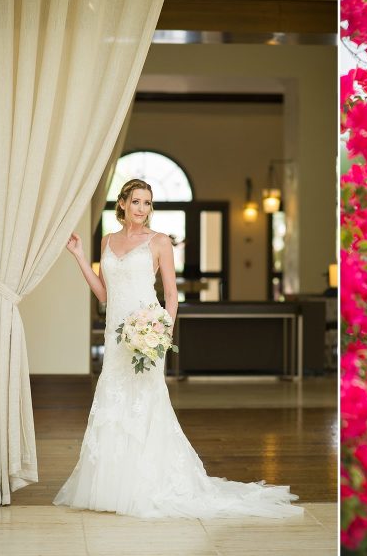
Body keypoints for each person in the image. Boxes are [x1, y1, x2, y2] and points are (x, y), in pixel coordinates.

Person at [56, 178, 303, 519]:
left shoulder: (158, 242)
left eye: (147, 202)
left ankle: (146, 486)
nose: (142, 208)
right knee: (114, 405)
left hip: (147, 336)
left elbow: (171, 295)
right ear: (123, 203)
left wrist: (161, 334)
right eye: (137, 201)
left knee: (145, 407)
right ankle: (113, 488)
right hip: (117, 339)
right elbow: (103, 294)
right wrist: (79, 256)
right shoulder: (108, 241)